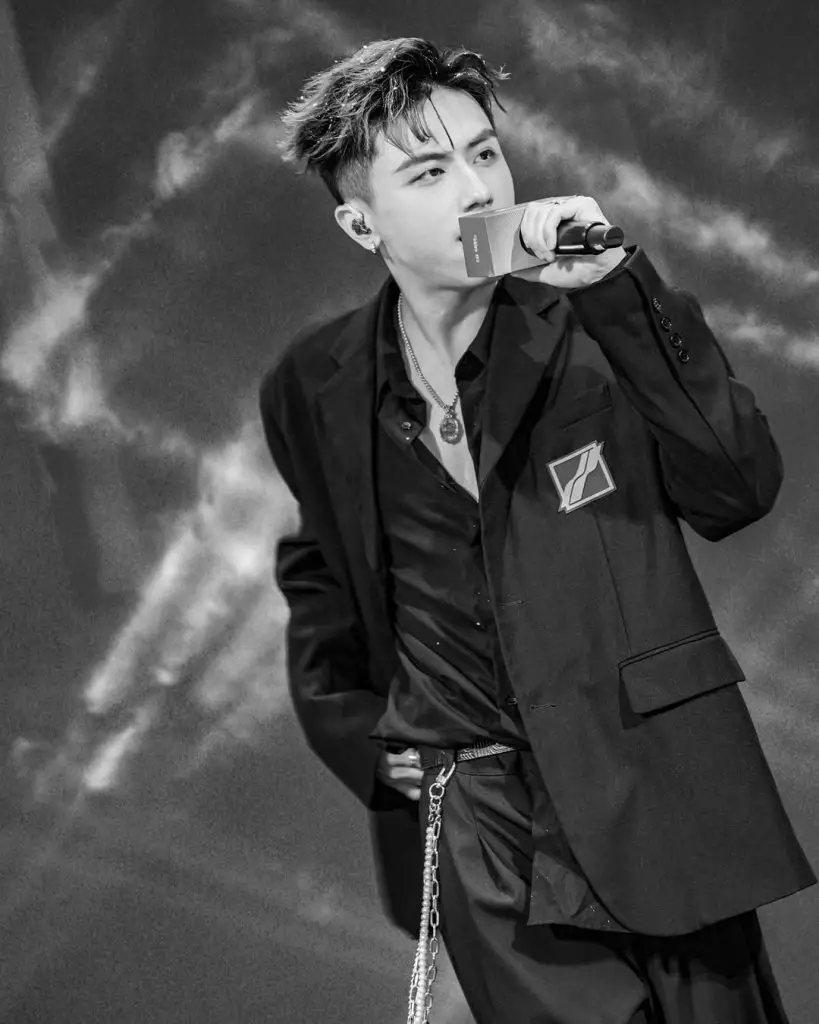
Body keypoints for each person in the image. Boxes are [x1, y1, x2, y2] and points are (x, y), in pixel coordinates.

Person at [259, 36, 815, 1024]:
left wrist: (617, 290)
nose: (476, 189)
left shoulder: (599, 321)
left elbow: (737, 488)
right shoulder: (315, 383)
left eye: (484, 153)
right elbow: (322, 573)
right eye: (429, 172)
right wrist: (359, 731)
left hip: (654, 786)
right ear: (360, 223)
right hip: (480, 822)